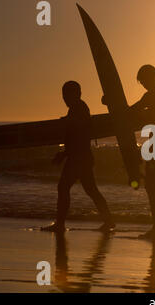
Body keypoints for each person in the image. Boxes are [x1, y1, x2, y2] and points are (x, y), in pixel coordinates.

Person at [102, 65, 155, 240]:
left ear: (152, 77)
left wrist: (111, 103)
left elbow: (130, 112)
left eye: (143, 81)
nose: (143, 84)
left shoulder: (154, 94)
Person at [42, 81, 115, 233]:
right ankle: (109, 221)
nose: (64, 98)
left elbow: (81, 130)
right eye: (63, 94)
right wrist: (64, 153)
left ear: (76, 94)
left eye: (67, 94)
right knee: (91, 190)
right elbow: (75, 136)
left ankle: (60, 224)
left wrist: (68, 122)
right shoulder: (75, 109)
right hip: (81, 157)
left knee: (63, 187)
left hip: (79, 158)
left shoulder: (80, 108)